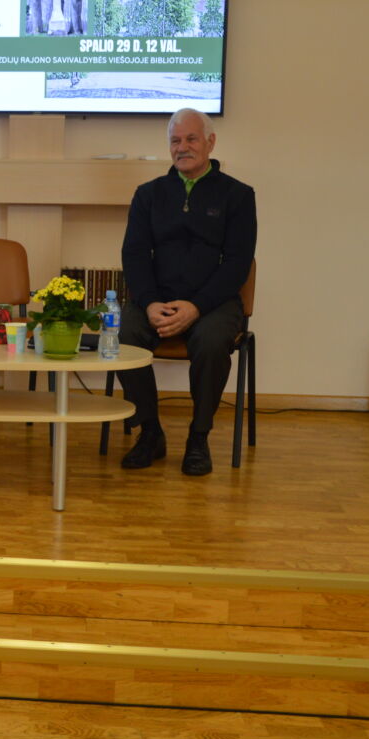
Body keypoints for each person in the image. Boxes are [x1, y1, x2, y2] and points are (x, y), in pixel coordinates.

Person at [115, 108, 256, 476]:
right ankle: (150, 432)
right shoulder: (148, 195)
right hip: (157, 298)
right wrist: (149, 303)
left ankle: (198, 437)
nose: (182, 147)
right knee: (125, 336)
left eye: (191, 139)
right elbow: (134, 255)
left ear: (210, 142)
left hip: (214, 302)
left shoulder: (238, 195)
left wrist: (196, 306)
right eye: (175, 141)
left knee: (211, 342)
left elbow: (238, 263)